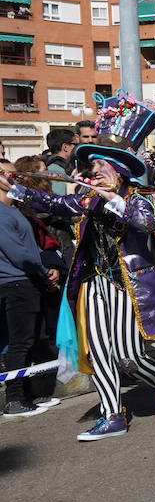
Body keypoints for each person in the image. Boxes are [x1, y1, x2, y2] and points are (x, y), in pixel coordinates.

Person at [2, 92, 155, 441]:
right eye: (93, 166)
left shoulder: (136, 198)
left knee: (129, 357)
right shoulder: (85, 197)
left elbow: (145, 224)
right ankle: (112, 413)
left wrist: (113, 199)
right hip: (94, 284)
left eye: (102, 166)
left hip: (128, 285)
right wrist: (17, 188)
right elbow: (56, 201)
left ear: (120, 170)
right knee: (99, 353)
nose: (94, 171)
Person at [0, 163, 60, 417]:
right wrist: (42, 272)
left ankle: (29, 395)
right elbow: (19, 254)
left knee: (33, 340)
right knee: (20, 343)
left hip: (25, 282)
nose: (14, 177)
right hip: (16, 283)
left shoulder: (12, 209)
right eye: (8, 174)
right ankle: (14, 400)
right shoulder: (2, 213)